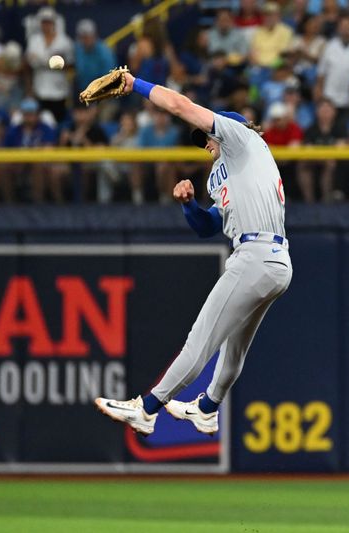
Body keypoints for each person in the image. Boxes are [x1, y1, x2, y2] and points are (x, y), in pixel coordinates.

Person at [94, 69, 291, 436]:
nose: (206, 144)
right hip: (275, 262)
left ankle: (147, 408)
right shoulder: (228, 172)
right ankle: (207, 408)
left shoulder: (240, 139)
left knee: (200, 341)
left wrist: (135, 85)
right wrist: (188, 205)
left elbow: (180, 105)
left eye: (208, 137)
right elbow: (208, 226)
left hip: (256, 256)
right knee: (235, 348)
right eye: (202, 141)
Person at [25, 7, 73, 123]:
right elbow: (30, 62)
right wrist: (51, 61)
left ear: (54, 23)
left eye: (49, 22)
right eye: (44, 22)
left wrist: (56, 63)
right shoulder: (34, 40)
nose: (46, 25)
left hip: (59, 91)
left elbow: (70, 65)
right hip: (39, 89)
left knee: (58, 122)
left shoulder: (64, 41)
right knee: (41, 122)